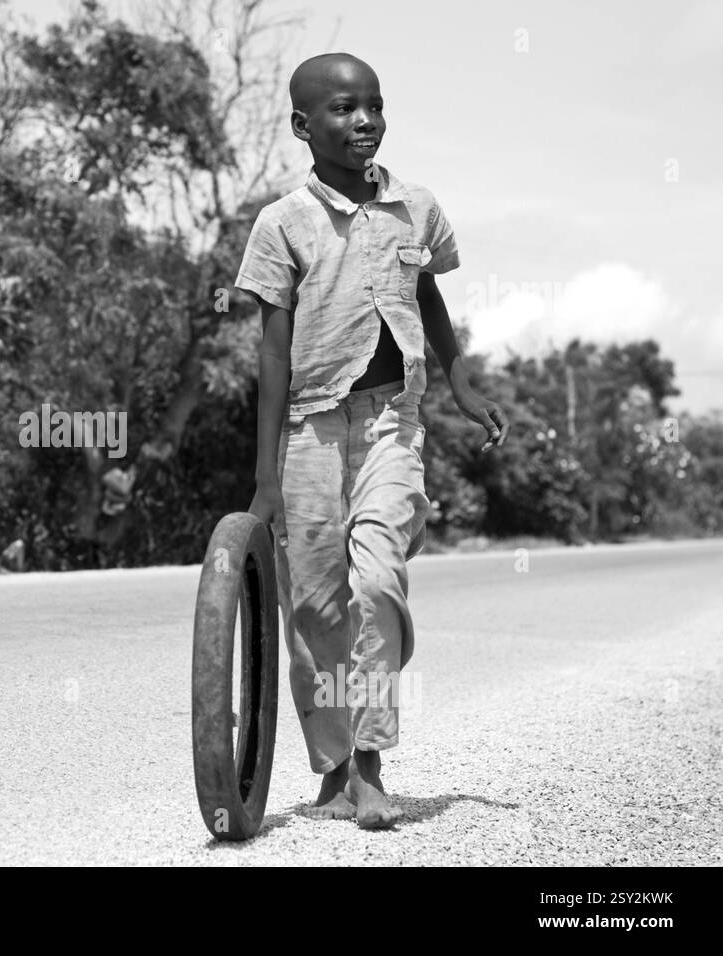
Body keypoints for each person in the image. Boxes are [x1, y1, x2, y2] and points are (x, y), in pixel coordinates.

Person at [235, 52, 509, 829]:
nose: (364, 122)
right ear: (302, 126)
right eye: (344, 110)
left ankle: (373, 763)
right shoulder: (282, 223)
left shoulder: (413, 208)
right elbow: (273, 351)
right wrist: (265, 478)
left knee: (378, 581)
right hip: (308, 431)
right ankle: (331, 768)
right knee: (317, 607)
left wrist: (460, 382)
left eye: (374, 107)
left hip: (393, 419)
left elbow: (426, 297)